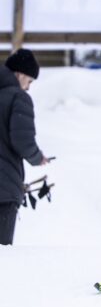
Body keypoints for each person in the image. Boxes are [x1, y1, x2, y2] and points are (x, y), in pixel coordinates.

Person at [0, 49, 50, 245]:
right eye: (29, 81)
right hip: (3, 190)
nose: (28, 88)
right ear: (20, 74)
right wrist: (37, 157)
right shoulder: (18, 98)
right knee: (2, 256)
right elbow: (22, 141)